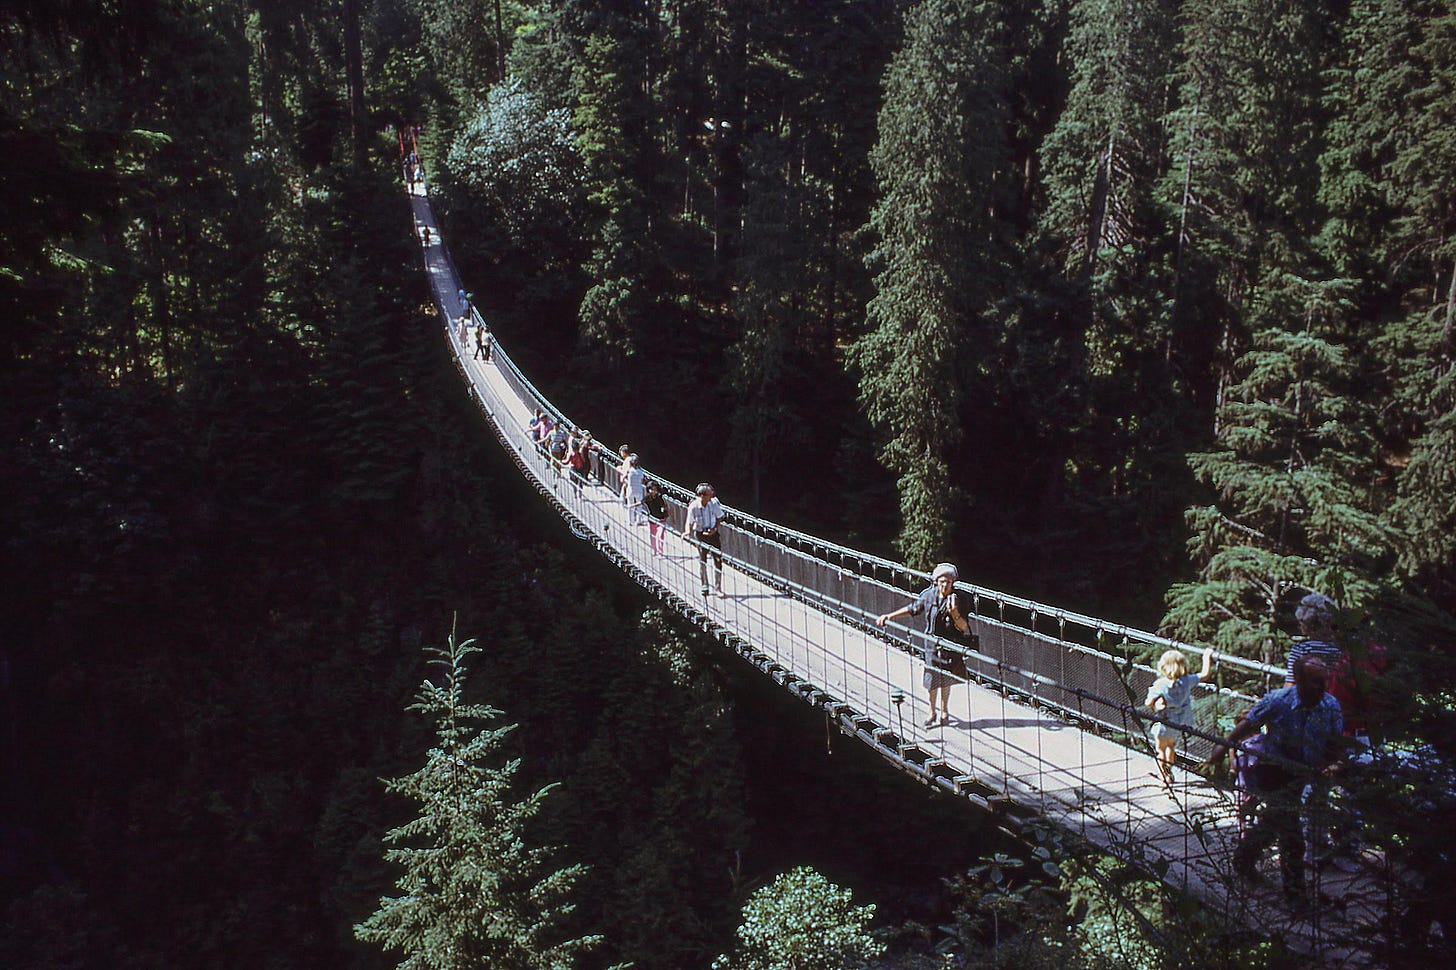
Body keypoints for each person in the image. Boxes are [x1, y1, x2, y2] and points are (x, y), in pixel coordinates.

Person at [1205, 656, 1344, 904]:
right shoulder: (1278, 701)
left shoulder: (1330, 706)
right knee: (1291, 832)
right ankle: (1296, 898)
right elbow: (1246, 724)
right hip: (1273, 770)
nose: (1322, 687)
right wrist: (1219, 752)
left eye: (1325, 681)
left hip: (1302, 772)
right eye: (1315, 682)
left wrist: (1334, 764)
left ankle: (1244, 858)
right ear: (1299, 681)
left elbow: (1334, 743)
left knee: (1274, 821)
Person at [876, 563, 972, 727]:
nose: (945, 585)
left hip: (949, 645)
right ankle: (932, 711)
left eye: (948, 582)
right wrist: (889, 616)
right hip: (932, 645)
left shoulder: (959, 599)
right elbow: (913, 608)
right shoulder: (928, 596)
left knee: (946, 678)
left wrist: (955, 614)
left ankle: (944, 711)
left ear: (953, 582)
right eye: (941, 581)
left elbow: (965, 628)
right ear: (936, 582)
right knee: (931, 679)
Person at [1145, 647, 1214, 785]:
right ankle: (1169, 771)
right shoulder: (1187, 681)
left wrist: (1155, 706)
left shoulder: (1160, 684)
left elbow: (1148, 702)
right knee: (1170, 746)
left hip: (1164, 723)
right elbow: (1205, 674)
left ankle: (1164, 775)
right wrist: (1207, 656)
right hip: (1179, 723)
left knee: (1160, 750)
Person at [682, 482, 725, 595]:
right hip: (700, 535)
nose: (711, 496)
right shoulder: (694, 506)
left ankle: (718, 588)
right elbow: (689, 522)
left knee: (718, 560)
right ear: (702, 495)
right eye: (709, 495)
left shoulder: (714, 503)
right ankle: (704, 586)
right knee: (703, 560)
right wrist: (687, 531)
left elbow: (720, 517)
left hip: (713, 534)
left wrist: (715, 529)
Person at [643, 479, 669, 556]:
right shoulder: (647, 498)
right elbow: (641, 503)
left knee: (660, 535)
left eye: (655, 489)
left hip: (661, 518)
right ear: (648, 490)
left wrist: (670, 514)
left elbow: (665, 506)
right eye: (651, 489)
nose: (653, 491)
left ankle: (660, 551)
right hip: (652, 519)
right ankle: (654, 550)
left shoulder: (660, 497)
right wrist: (631, 506)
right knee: (652, 535)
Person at [622, 454, 645, 525]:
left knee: (630, 505)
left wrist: (628, 482)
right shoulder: (641, 472)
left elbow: (623, 478)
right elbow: (642, 481)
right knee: (639, 506)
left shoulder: (629, 471)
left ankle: (630, 521)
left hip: (630, 489)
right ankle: (638, 521)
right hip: (638, 490)